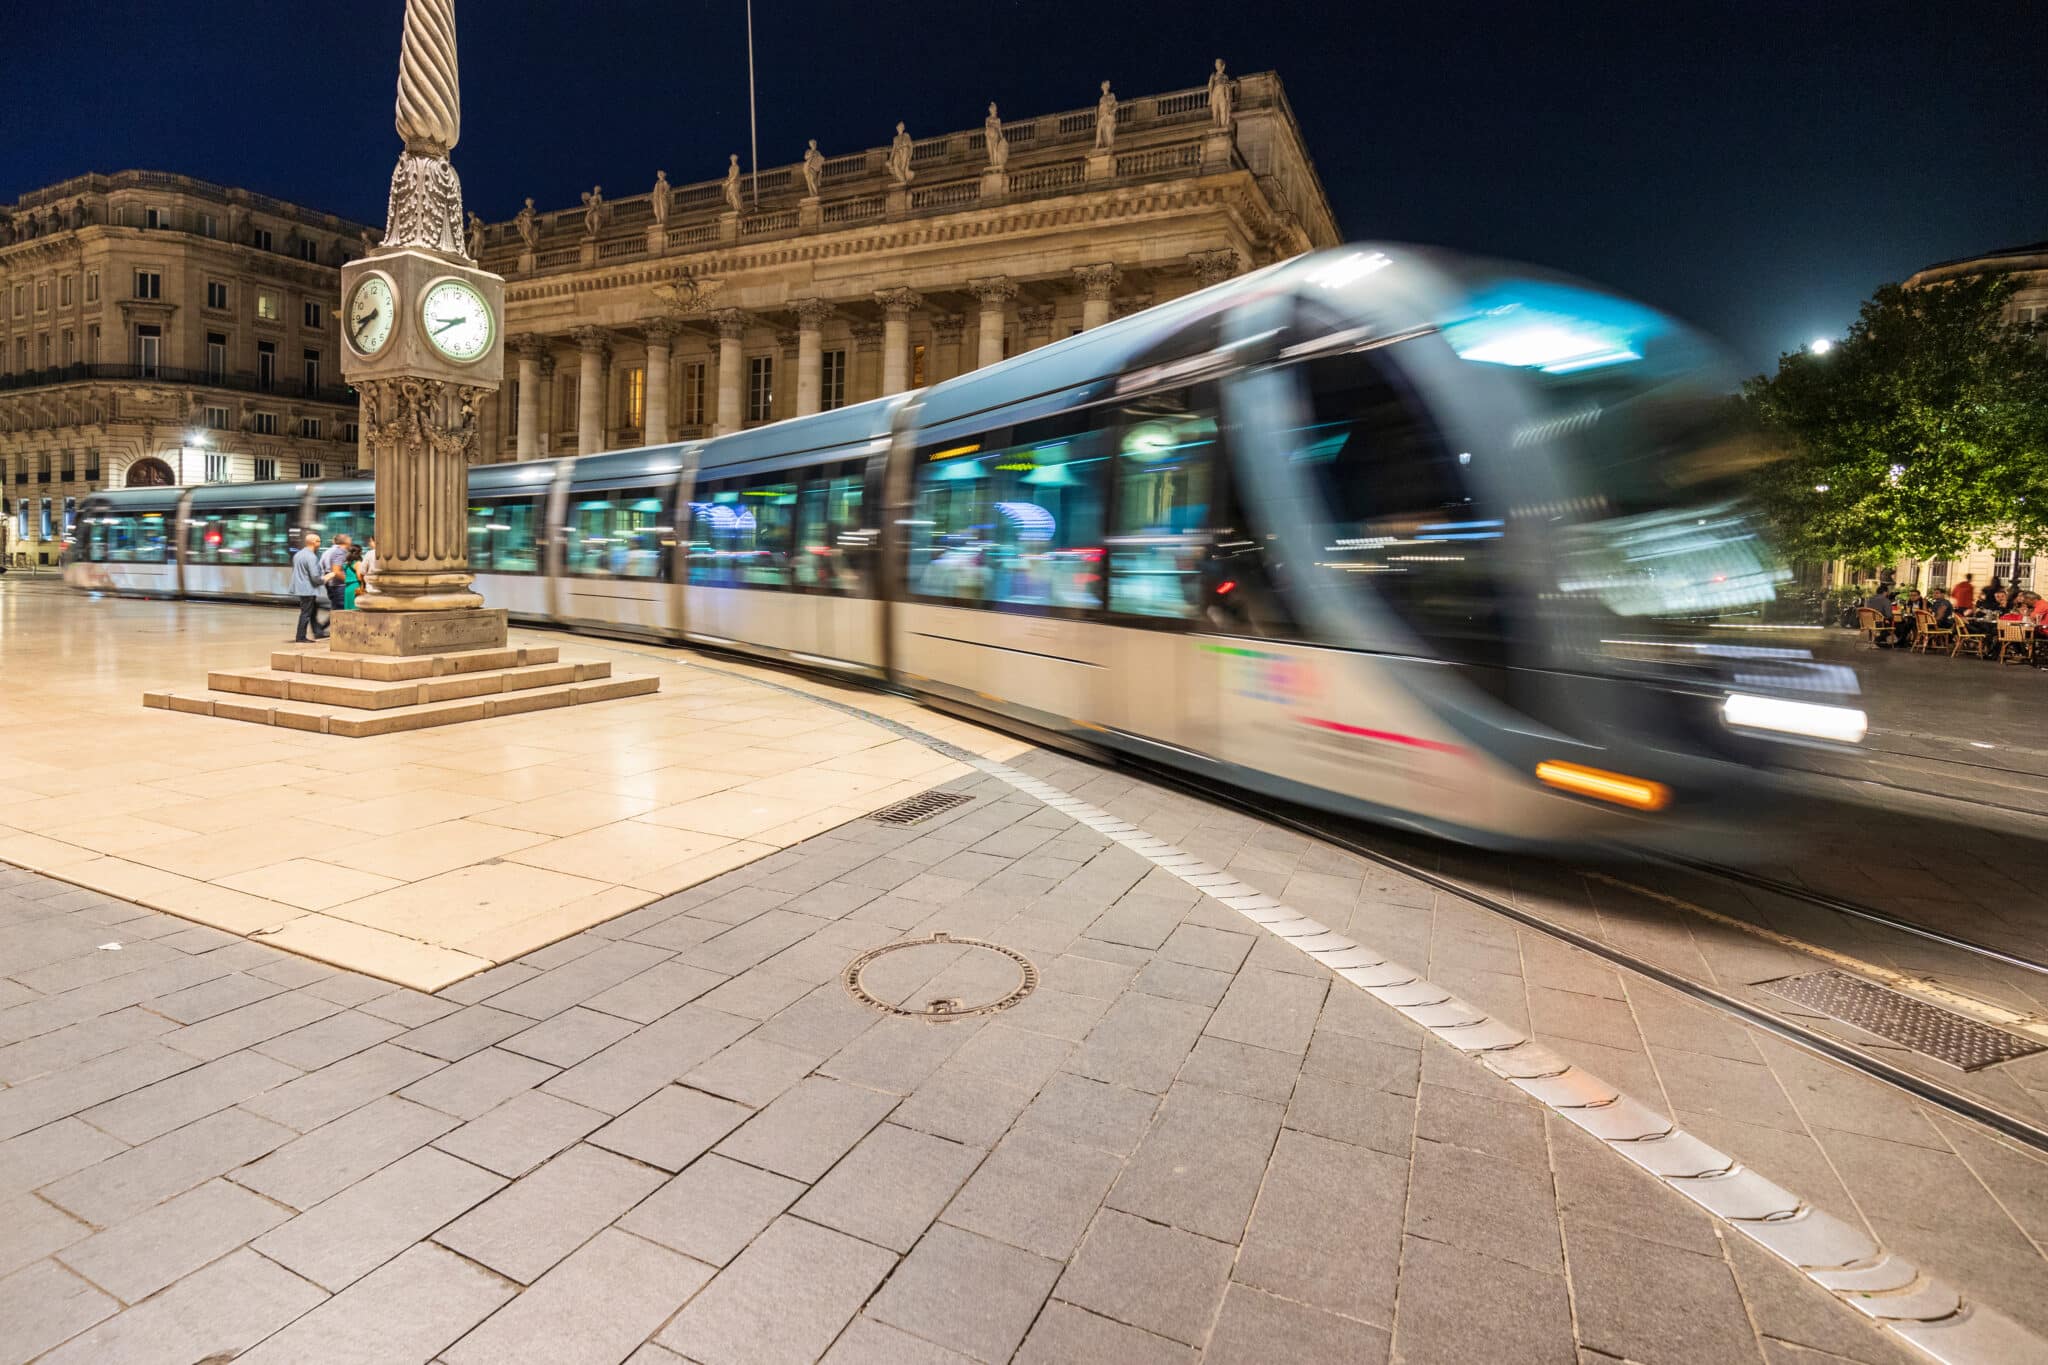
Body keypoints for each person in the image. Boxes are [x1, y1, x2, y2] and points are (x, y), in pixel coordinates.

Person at [291, 534, 328, 642]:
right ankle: (301, 637)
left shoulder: (298, 554)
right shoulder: (311, 557)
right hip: (308, 589)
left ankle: (318, 631)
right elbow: (315, 577)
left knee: (311, 612)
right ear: (313, 542)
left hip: (301, 588)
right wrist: (325, 578)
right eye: (319, 541)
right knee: (306, 613)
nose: (320, 544)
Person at [319, 533, 352, 612]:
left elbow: (321, 566)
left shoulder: (327, 551)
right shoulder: (340, 551)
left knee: (335, 608)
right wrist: (348, 581)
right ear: (346, 541)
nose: (351, 542)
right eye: (350, 540)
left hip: (331, 584)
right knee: (341, 611)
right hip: (340, 585)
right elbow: (336, 571)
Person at [342, 542, 364, 610]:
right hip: (356, 587)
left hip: (348, 587)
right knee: (356, 609)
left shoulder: (347, 563)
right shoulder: (358, 563)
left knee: (348, 608)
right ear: (359, 552)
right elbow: (359, 577)